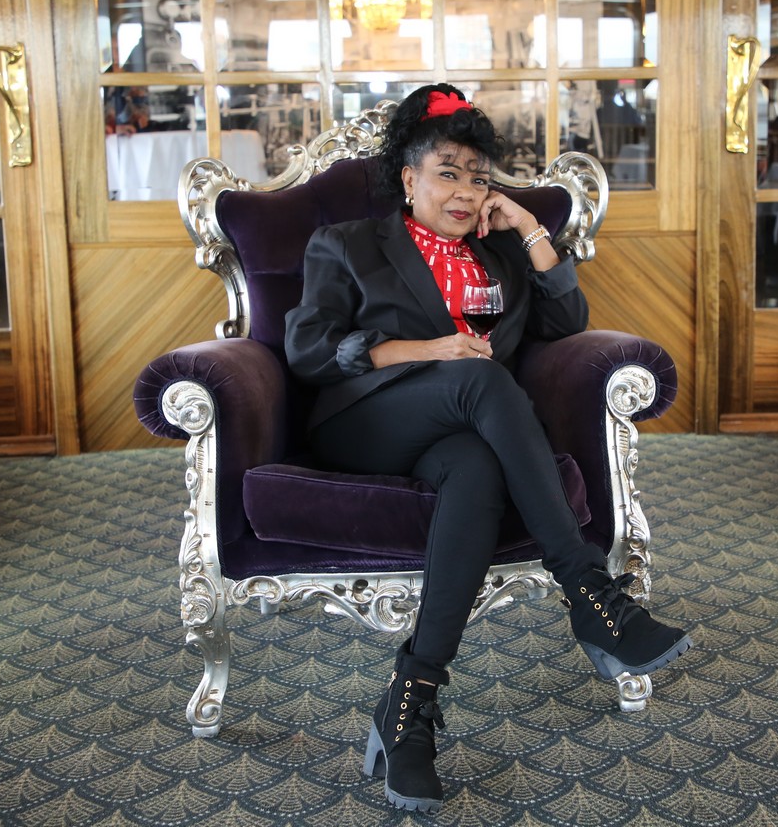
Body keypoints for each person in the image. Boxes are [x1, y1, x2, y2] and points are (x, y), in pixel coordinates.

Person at [283, 84, 692, 815]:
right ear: (409, 178)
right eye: (448, 174)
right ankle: (589, 591)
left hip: (458, 435)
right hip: (364, 421)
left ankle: (410, 702)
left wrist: (531, 229)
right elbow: (309, 349)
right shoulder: (347, 243)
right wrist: (429, 349)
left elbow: (567, 323)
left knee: (475, 469)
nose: (466, 193)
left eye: (478, 178)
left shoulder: (500, 255)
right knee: (478, 376)